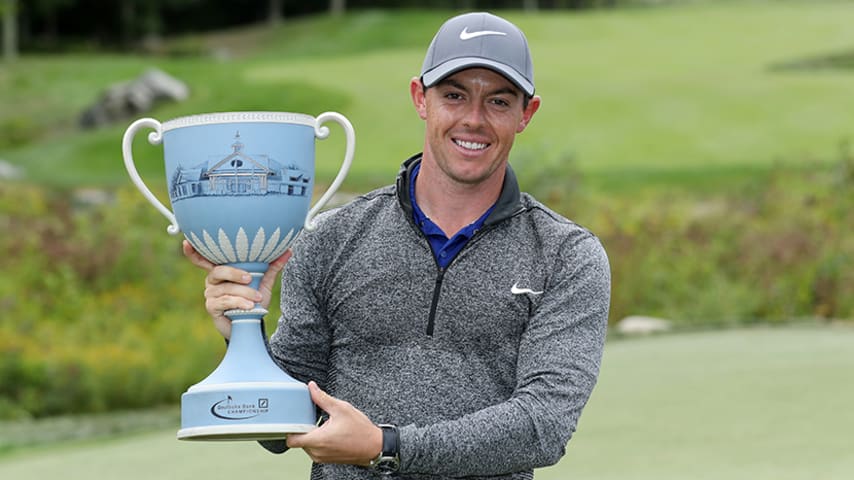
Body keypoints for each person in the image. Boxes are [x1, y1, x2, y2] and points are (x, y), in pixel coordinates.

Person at [184, 11, 610, 479]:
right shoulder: (330, 237)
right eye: (454, 95)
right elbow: (278, 430)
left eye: (499, 102)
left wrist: (386, 446)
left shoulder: (567, 256)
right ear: (419, 98)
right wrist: (242, 333)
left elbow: (542, 426)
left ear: (526, 114)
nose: (473, 119)